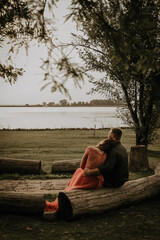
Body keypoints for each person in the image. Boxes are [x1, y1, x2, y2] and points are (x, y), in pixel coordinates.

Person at [44, 138, 115, 213]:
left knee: (79, 171)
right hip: (95, 181)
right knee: (79, 172)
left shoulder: (90, 149)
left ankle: (67, 192)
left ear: (102, 142)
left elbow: (82, 166)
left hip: (86, 178)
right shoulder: (105, 155)